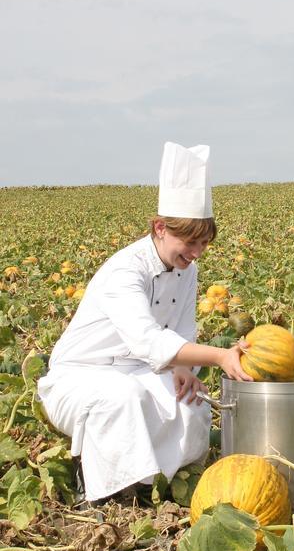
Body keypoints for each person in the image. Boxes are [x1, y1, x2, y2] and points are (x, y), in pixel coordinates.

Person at [38, 142, 251, 503]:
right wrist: (218, 356)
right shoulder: (126, 269)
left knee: (192, 401)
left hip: (139, 370)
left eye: (203, 243)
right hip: (79, 376)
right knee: (124, 398)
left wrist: (186, 369)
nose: (197, 252)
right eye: (190, 241)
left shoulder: (188, 269)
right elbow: (146, 340)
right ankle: (96, 482)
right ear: (160, 227)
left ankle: (157, 480)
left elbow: (183, 328)